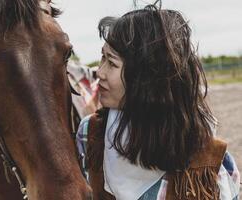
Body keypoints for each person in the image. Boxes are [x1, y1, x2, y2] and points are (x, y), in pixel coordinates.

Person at [76, 1, 240, 200]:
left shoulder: (208, 162)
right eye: (103, 58)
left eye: (111, 62)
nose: (99, 72)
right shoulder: (91, 134)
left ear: (147, 78)